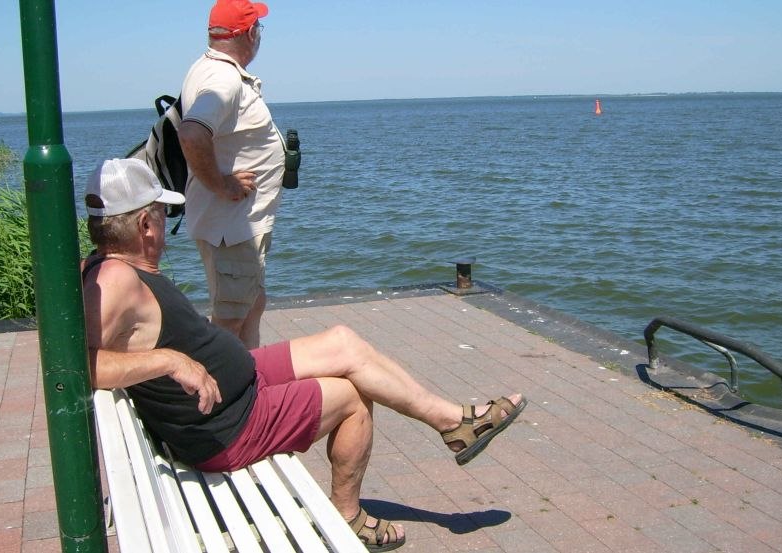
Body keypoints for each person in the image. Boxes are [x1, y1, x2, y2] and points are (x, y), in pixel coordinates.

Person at [81, 158, 527, 552]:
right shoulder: (116, 281)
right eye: (163, 212)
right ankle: (349, 516)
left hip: (240, 386)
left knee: (343, 341)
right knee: (352, 399)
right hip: (229, 426)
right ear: (144, 225)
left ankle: (454, 422)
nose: (166, 222)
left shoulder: (109, 269)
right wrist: (171, 361)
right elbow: (81, 366)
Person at [177, 0, 284, 349]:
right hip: (232, 228)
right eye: (259, 29)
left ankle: (252, 380)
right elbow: (192, 133)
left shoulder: (209, 68)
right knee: (230, 319)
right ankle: (225, 395)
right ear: (251, 33)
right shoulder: (224, 79)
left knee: (251, 305)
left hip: (236, 225)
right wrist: (221, 184)